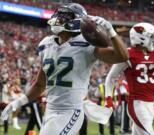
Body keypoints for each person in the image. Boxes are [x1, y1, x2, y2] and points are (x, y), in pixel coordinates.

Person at [1, 3, 128, 135]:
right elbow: (40, 84)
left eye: (64, 17)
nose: (58, 18)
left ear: (76, 22)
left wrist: (111, 32)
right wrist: (17, 102)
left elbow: (122, 56)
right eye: (59, 15)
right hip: (50, 110)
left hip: (70, 111)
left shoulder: (86, 44)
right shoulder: (46, 44)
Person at [105, 22, 154, 135]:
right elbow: (111, 77)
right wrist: (108, 98)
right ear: (141, 38)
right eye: (152, 37)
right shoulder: (127, 54)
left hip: (150, 102)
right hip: (137, 103)